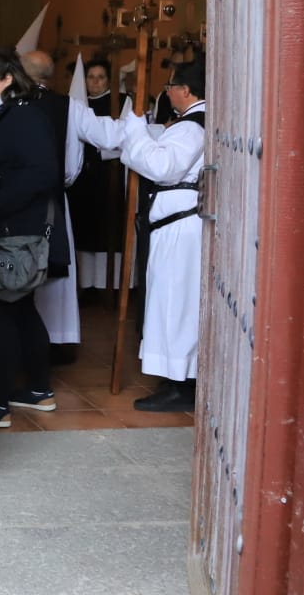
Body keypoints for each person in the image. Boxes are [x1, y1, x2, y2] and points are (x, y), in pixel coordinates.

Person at [72, 58, 206, 411]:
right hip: (174, 225)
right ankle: (176, 379)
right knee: (170, 300)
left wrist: (135, 133)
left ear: (186, 91)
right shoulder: (188, 123)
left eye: (171, 86)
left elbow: (161, 167)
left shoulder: (193, 126)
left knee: (175, 302)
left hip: (180, 227)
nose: (167, 92)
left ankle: (181, 385)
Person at [0, 46, 63, 422]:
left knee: (1, 311)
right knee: (19, 309)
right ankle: (39, 390)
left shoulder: (24, 117)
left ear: (7, 79)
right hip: (4, 227)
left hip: (13, 228)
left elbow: (43, 173)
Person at [20, 49, 82, 355]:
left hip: (18, 201)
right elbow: (79, 157)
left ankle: (28, 344)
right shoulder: (67, 107)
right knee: (53, 276)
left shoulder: (9, 105)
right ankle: (57, 339)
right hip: (56, 198)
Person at [67, 59, 129, 296]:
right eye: (91, 77)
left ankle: (107, 286)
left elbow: (125, 135)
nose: (95, 82)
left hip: (108, 174)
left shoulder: (122, 101)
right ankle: (84, 287)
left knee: (107, 228)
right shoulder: (74, 103)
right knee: (83, 230)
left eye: (101, 77)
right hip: (82, 177)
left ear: (109, 80)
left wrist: (101, 149)